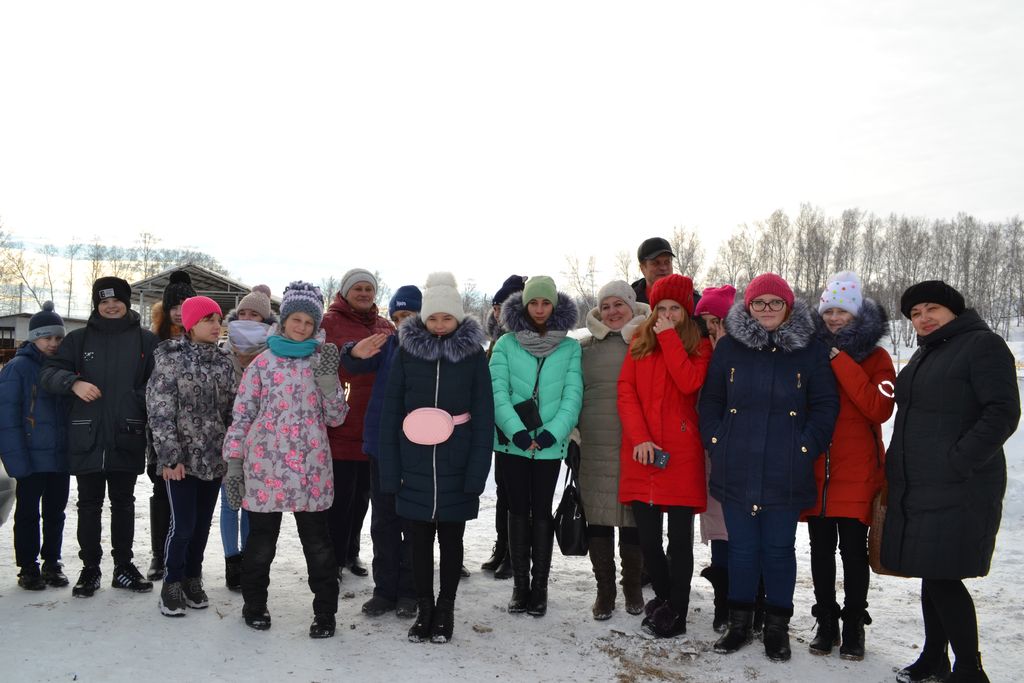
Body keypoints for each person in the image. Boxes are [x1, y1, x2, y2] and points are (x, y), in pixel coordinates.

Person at [883, 281, 1019, 683]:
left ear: (952, 309)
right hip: (924, 485)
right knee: (932, 571)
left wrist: (958, 461)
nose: (922, 319)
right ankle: (934, 658)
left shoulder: (982, 345)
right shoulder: (929, 352)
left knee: (944, 577)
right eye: (914, 314)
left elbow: (1002, 412)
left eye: (930, 309)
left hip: (960, 486)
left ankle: (969, 670)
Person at [699, 273, 838, 661]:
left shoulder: (809, 349)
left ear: (788, 306)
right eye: (759, 303)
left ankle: (777, 627)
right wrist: (716, 438)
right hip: (736, 463)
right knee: (741, 549)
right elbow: (710, 399)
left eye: (775, 303)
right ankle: (739, 623)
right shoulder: (730, 349)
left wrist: (806, 445)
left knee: (778, 550)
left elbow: (826, 405)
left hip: (786, 467)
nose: (766, 310)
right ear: (748, 307)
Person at [222, 281, 349, 638]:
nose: (303, 328)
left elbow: (337, 417)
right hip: (266, 470)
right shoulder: (262, 363)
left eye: (309, 323)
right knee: (260, 546)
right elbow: (242, 416)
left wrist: (328, 382)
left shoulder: (321, 361)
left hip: (311, 471)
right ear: (284, 320)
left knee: (319, 547)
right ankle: (254, 604)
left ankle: (325, 613)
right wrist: (234, 463)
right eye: (297, 320)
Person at [378, 273, 494, 643]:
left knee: (451, 541)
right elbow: (390, 412)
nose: (440, 324)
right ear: (423, 319)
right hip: (413, 463)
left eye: (447, 317)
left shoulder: (473, 356)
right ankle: (424, 610)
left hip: (456, 462)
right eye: (433, 318)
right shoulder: (407, 353)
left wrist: (477, 474)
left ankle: (445, 610)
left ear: (458, 318)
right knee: (418, 543)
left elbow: (484, 415)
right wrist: (390, 470)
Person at [40, 277, 159, 597]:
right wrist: (73, 383)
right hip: (86, 435)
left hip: (127, 433)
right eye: (104, 301)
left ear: (127, 302)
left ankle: (123, 566)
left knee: (123, 503)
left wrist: (136, 399)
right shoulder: (77, 340)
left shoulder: (146, 341)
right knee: (89, 504)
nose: (110, 306)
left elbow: (159, 383)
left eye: (116, 300)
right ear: (96, 304)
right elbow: (49, 373)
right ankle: (90, 568)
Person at [800, 272, 895, 659]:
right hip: (817, 470)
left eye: (842, 312)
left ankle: (854, 623)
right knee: (820, 552)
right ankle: (826, 621)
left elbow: (879, 407)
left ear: (857, 315)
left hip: (858, 473)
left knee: (854, 554)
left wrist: (840, 361)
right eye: (829, 312)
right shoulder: (808, 352)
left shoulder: (877, 357)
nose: (834, 319)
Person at [618, 275, 712, 637]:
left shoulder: (699, 346)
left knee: (679, 541)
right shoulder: (639, 343)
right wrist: (639, 438)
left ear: (687, 312)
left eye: (676, 308)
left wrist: (669, 337)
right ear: (653, 309)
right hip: (642, 454)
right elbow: (626, 391)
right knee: (648, 540)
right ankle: (664, 601)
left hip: (680, 456)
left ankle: (678, 611)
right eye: (662, 308)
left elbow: (689, 383)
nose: (668, 314)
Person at [490, 275, 582, 618]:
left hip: (548, 445)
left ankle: (540, 588)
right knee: (516, 510)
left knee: (541, 511)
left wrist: (552, 433)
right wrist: (514, 431)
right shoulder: (506, 345)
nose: (540, 309)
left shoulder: (570, 347)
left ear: (554, 306)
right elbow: (497, 391)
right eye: (534, 303)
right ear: (524, 305)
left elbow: (573, 395)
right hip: (512, 444)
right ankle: (520, 587)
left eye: (546, 303)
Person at [146, 296, 236, 616]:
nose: (216, 325)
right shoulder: (171, 358)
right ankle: (171, 581)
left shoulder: (224, 362)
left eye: (218, 319)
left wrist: (231, 453)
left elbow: (230, 411)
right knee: (182, 525)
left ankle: (192, 578)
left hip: (213, 458)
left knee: (200, 526)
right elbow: (159, 411)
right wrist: (169, 458)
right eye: (208, 320)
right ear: (190, 324)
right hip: (181, 460)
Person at [339, 284, 422, 618]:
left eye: (410, 315)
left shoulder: (432, 347)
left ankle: (410, 590)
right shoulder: (386, 345)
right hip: (380, 443)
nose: (403, 322)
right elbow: (354, 365)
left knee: (413, 520)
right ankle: (385, 590)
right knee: (384, 521)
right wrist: (353, 352)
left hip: (417, 447)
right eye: (398, 316)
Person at [576, 280, 649, 620]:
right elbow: (572, 393)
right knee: (598, 517)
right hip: (595, 443)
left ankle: (632, 587)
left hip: (638, 446)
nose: (612, 311)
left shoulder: (647, 344)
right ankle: (605, 590)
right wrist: (574, 434)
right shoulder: (585, 348)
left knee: (635, 519)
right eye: (605, 306)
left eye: (619, 304)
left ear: (633, 308)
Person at [321, 269, 393, 580]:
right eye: (357, 288)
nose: (364, 293)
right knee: (339, 499)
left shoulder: (385, 326)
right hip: (340, 425)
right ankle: (333, 558)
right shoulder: (328, 323)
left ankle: (351, 552)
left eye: (368, 289)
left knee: (363, 497)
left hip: (374, 427)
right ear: (345, 292)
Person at [0, 302, 70, 590]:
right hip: (30, 458)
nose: (53, 344)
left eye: (57, 338)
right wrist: (17, 461)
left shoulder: (66, 367)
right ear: (33, 338)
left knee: (56, 511)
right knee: (28, 513)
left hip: (59, 458)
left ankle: (52, 562)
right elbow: (7, 418)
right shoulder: (18, 368)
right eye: (46, 338)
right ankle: (28, 566)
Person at [219, 285, 276, 591]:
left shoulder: (271, 354)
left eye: (255, 313)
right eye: (243, 313)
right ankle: (232, 561)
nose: (248, 317)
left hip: (260, 443)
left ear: (265, 320)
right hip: (228, 440)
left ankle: (250, 559)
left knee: (251, 503)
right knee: (229, 502)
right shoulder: (223, 350)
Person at [145, 269, 196, 581]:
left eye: (184, 305)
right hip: (160, 430)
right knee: (162, 492)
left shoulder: (202, 340)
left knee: (188, 496)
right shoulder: (153, 341)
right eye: (174, 306)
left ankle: (186, 556)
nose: (178, 311)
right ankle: (158, 556)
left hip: (194, 433)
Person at [692, 283, 736, 632]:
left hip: (749, 455)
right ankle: (724, 604)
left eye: (718, 319)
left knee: (749, 534)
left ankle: (751, 603)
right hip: (712, 452)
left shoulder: (747, 350)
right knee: (720, 528)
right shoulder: (702, 352)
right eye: (706, 321)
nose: (712, 328)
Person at [480, 274, 526, 581]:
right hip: (498, 430)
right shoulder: (495, 341)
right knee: (503, 492)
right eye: (496, 306)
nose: (499, 312)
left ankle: (517, 553)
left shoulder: (524, 340)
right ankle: (502, 545)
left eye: (505, 305)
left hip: (523, 427)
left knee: (519, 497)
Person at [630, 237, 675, 305]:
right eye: (656, 263)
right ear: (642, 268)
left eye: (667, 262)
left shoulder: (689, 298)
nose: (663, 268)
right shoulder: (630, 302)